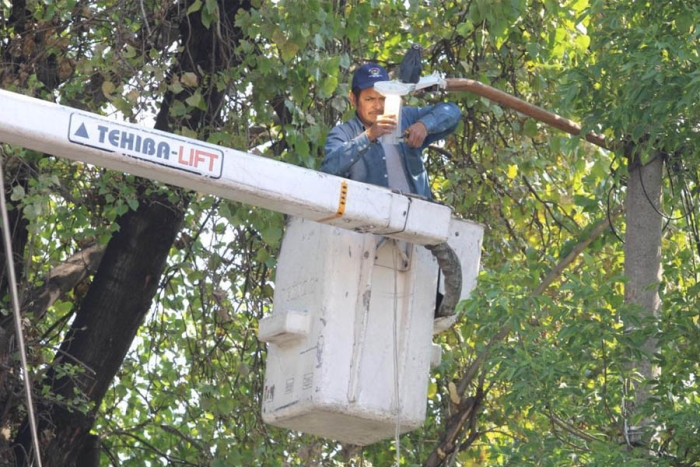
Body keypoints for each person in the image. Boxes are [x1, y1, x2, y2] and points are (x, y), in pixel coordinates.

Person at [321, 63, 461, 200]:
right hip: (368, 218)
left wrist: (424, 125)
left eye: (383, 98)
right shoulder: (343, 133)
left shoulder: (406, 118)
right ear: (353, 99)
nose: (377, 106)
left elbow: (453, 112)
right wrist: (369, 136)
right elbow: (329, 168)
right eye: (369, 99)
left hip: (417, 214)